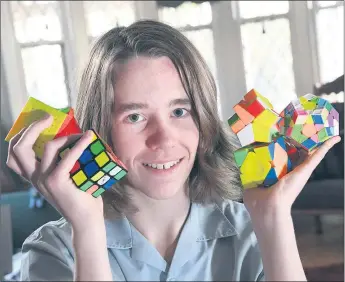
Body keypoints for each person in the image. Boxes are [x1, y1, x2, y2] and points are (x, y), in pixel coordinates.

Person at [6, 20, 340, 281]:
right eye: (135, 116)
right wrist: (88, 230)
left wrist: (273, 219)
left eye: (179, 111)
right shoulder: (53, 250)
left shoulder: (253, 230)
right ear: (98, 130)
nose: (163, 140)